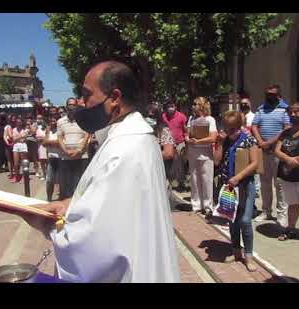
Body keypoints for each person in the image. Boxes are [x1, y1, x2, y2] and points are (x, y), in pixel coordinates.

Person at [16, 61, 180, 283]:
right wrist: (68, 204)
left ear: (114, 98)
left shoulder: (124, 148)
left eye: (87, 95)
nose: (82, 103)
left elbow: (99, 242)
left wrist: (46, 224)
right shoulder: (132, 136)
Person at [214, 111, 259, 272]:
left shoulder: (248, 140)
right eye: (227, 129)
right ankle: (236, 252)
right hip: (229, 187)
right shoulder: (225, 141)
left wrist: (238, 177)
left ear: (239, 127)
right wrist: (219, 143)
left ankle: (249, 256)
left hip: (245, 185)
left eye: (232, 129)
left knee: (245, 220)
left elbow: (254, 163)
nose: (229, 132)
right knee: (232, 220)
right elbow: (217, 161)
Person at [274, 102, 299, 248]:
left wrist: (294, 162)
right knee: (292, 203)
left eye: (297, 112)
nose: (293, 114)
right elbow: (277, 150)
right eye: (291, 112)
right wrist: (288, 160)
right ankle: (291, 228)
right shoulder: (286, 132)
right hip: (287, 174)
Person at [252, 85, 291, 225]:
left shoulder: (285, 109)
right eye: (267, 94)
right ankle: (266, 211)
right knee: (264, 183)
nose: (269, 97)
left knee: (279, 184)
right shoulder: (261, 109)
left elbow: (287, 128)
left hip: (278, 152)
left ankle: (281, 214)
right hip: (263, 150)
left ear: (279, 95)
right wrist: (261, 142)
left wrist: (270, 142)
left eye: (272, 94)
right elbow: (254, 126)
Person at [184, 97, 218, 216]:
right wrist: (188, 139)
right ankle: (196, 205)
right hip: (193, 152)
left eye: (195, 104)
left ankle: (208, 206)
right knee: (194, 179)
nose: (193, 106)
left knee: (206, 179)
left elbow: (213, 137)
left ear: (202, 106)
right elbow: (187, 134)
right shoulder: (191, 118)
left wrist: (198, 142)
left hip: (205, 153)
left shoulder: (210, 119)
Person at [56, 97, 90, 199]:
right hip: (66, 158)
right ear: (66, 107)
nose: (71, 107)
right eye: (69, 105)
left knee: (80, 185)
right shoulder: (60, 121)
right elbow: (60, 137)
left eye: (73, 105)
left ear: (77, 106)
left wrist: (79, 150)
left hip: (81, 157)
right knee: (66, 186)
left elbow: (87, 135)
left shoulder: (83, 120)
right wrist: (65, 150)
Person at [146, 102, 175, 181]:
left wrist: (147, 157)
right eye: (147, 116)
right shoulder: (142, 130)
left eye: (152, 116)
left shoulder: (164, 130)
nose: (149, 118)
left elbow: (169, 153)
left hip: (159, 172)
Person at [162, 100, 187, 192]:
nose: (170, 108)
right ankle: (168, 182)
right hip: (167, 144)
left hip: (179, 143)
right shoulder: (163, 116)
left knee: (180, 164)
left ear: (175, 107)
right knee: (168, 164)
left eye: (172, 106)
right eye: (169, 106)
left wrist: (186, 141)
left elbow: (185, 130)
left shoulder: (181, 116)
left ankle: (181, 183)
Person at [43, 116, 62, 201]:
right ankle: (49, 199)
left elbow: (60, 142)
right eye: (51, 121)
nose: (52, 122)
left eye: (54, 121)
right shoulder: (48, 131)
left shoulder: (60, 130)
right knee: (49, 180)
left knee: (61, 180)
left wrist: (49, 142)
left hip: (61, 158)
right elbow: (44, 143)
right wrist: (52, 142)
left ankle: (61, 198)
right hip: (51, 158)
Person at [12, 117, 28, 183]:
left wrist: (17, 138)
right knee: (16, 163)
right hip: (16, 146)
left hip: (23, 146)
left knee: (23, 163)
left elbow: (24, 140)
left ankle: (24, 177)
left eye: (20, 122)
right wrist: (21, 137)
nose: (18, 123)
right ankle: (16, 177)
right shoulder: (14, 129)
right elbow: (13, 139)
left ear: (22, 122)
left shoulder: (25, 130)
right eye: (17, 122)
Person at [4, 114, 16, 180]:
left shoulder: (17, 126)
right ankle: (11, 173)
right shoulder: (7, 127)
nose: (12, 120)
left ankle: (16, 172)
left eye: (14, 118)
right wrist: (7, 143)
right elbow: (4, 136)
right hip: (8, 144)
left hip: (15, 144)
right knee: (9, 160)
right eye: (11, 119)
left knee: (15, 160)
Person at [36, 116, 48, 181]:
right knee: (42, 161)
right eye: (37, 118)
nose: (38, 120)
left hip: (46, 145)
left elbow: (48, 135)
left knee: (47, 161)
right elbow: (34, 135)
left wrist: (42, 138)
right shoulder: (36, 127)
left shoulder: (46, 127)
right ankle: (44, 174)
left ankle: (48, 174)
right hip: (39, 146)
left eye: (40, 118)